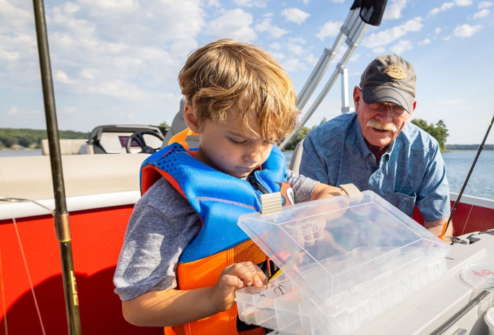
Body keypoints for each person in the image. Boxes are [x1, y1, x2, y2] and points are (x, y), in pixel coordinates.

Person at [113, 39, 344, 335]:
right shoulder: (169, 204)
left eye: (268, 140)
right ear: (194, 118)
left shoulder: (266, 171)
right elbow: (136, 305)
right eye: (238, 140)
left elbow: (324, 192)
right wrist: (212, 298)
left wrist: (321, 211)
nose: (256, 155)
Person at [300, 54, 455, 238]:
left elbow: (439, 225)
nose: (385, 118)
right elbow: (309, 222)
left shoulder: (426, 151)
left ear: (411, 109)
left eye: (397, 107)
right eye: (377, 103)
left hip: (399, 257)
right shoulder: (320, 143)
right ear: (357, 99)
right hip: (334, 255)